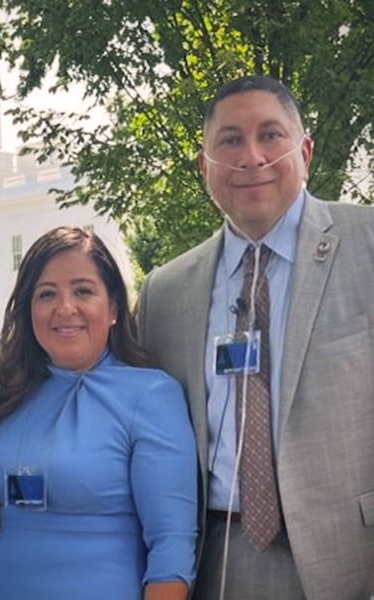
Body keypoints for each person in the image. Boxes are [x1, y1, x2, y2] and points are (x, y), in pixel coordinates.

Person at [137, 74, 374, 599]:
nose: (251, 156)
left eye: (270, 135)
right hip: (215, 562)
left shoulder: (368, 246)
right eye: (229, 140)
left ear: (304, 151)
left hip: (351, 559)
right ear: (205, 167)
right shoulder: (164, 294)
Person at [0, 226, 198, 599]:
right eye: (46, 294)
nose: (65, 308)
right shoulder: (8, 392)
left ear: (113, 307)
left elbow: (172, 544)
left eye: (83, 291)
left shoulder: (150, 395)